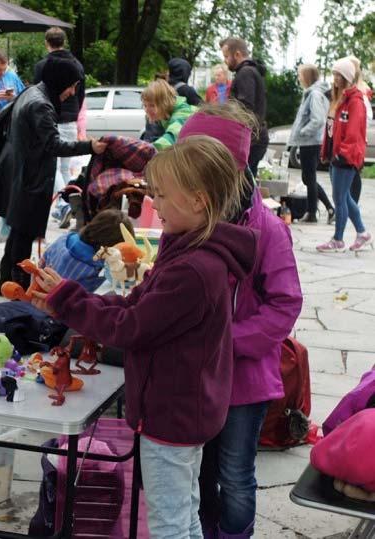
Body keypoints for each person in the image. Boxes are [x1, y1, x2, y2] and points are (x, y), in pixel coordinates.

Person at [32, 136, 257, 539]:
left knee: (170, 523)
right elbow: (133, 304)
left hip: (172, 415)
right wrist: (70, 297)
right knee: (185, 515)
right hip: (184, 411)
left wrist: (69, 301)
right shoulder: (187, 251)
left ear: (198, 201)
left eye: (163, 197)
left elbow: (131, 328)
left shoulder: (192, 269)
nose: (154, 206)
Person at [177, 104, 302, 539]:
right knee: (196, 467)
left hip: (244, 381)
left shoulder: (267, 229)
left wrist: (226, 340)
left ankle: (233, 534)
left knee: (234, 473)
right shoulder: (187, 221)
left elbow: (285, 304)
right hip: (194, 376)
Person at [0, 55, 105, 292]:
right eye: (71, 85)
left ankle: (6, 283)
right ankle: (16, 288)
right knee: (22, 236)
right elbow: (53, 145)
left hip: (21, 173)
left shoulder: (32, 93)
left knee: (18, 234)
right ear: (60, 81)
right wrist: (89, 146)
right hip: (29, 177)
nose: (72, 92)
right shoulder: (41, 104)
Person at [34, 27, 87, 229]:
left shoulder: (43, 66)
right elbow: (80, 94)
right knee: (65, 167)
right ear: (63, 41)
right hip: (71, 117)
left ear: (47, 42)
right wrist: (74, 112)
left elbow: (39, 92)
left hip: (52, 118)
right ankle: (70, 205)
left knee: (53, 166)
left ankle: (64, 205)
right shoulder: (77, 65)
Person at [317, 58, 371, 253]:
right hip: (334, 155)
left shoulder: (355, 101)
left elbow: (354, 133)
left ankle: (338, 239)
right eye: (334, 74)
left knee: (339, 199)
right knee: (345, 197)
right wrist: (326, 151)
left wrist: (343, 154)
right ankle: (362, 232)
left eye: (339, 75)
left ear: (348, 77)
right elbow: (331, 129)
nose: (335, 78)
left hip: (345, 158)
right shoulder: (338, 98)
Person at [40, 209, 133, 293]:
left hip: (34, 297)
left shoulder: (64, 238)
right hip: (51, 308)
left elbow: (40, 265)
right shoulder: (92, 271)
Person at [289, 64, 334, 223]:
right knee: (308, 177)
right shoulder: (313, 93)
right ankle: (327, 209)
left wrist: (302, 132)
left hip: (310, 141)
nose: (299, 78)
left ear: (307, 76)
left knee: (309, 177)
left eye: (300, 75)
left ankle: (313, 213)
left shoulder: (314, 94)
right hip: (310, 141)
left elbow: (318, 120)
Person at [220, 37, 268, 176]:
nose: (225, 60)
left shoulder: (245, 73)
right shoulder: (250, 71)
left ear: (237, 54)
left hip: (251, 140)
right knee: (246, 184)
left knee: (242, 185)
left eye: (226, 56)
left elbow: (245, 108)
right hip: (254, 138)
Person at [343, 56, 372, 204]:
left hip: (356, 140)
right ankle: (348, 205)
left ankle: (352, 205)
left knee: (353, 174)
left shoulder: (360, 92)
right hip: (346, 139)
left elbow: (368, 117)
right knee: (348, 176)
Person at [142, 79, 198, 151]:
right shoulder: (162, 114)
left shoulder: (183, 113)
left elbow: (172, 137)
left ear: (164, 103)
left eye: (152, 105)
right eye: (145, 105)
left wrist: (146, 150)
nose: (147, 110)